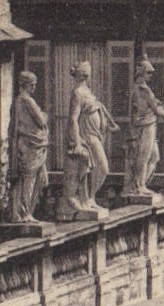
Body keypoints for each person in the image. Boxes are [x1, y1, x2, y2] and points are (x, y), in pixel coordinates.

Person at [59, 62, 118, 217]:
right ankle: (86, 199)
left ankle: (89, 198)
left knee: (98, 169)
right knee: (101, 168)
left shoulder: (86, 91)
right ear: (83, 74)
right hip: (87, 136)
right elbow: (73, 119)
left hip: (95, 135)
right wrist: (77, 142)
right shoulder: (78, 92)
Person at [125, 58, 164, 196]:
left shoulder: (140, 87)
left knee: (154, 157)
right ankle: (139, 186)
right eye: (148, 73)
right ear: (142, 73)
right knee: (144, 156)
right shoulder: (142, 89)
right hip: (146, 125)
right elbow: (155, 107)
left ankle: (138, 184)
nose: (151, 75)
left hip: (149, 123)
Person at [7, 71, 49, 223]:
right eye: (32, 84)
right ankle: (25, 212)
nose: (34, 87)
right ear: (25, 85)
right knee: (30, 179)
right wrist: (44, 116)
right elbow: (41, 120)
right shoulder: (27, 101)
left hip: (28, 145)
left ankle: (21, 211)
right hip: (31, 146)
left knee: (31, 179)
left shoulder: (18, 101)